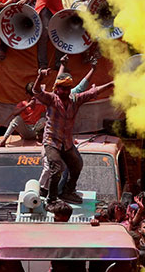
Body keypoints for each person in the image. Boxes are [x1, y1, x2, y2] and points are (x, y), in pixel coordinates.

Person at [33, 71, 113, 204]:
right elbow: (36, 91)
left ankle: (68, 192)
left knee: (77, 164)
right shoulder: (51, 99)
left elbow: (93, 92)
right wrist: (40, 77)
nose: (65, 91)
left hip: (66, 142)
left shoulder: (75, 100)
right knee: (56, 168)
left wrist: (110, 84)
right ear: (57, 88)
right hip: (52, 141)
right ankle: (51, 200)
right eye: (62, 88)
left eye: (67, 89)